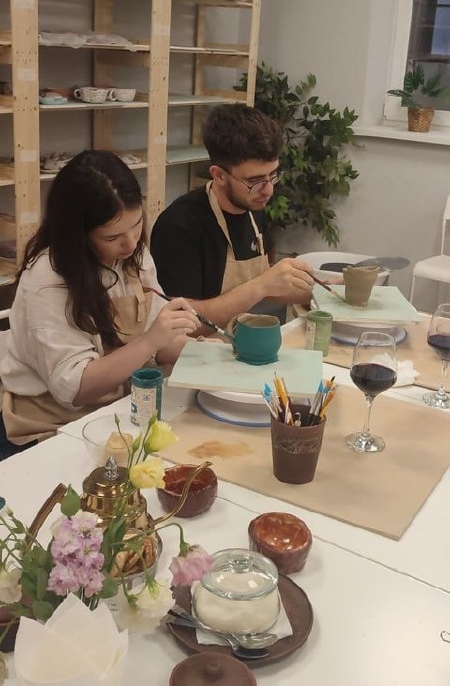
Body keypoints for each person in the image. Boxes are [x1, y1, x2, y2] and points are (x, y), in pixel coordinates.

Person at [0, 150, 199, 458]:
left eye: (137, 224)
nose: (131, 242)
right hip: (52, 426)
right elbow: (75, 389)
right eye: (112, 236)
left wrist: (209, 353)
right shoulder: (47, 278)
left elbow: (160, 345)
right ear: (78, 234)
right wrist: (150, 341)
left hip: (116, 413)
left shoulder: (132, 255)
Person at [150, 103, 314, 330]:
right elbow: (180, 323)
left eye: (273, 175)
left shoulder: (253, 206)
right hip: (196, 347)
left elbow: (267, 284)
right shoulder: (178, 227)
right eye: (254, 180)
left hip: (242, 339)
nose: (268, 190)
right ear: (218, 175)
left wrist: (325, 290)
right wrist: (261, 286)